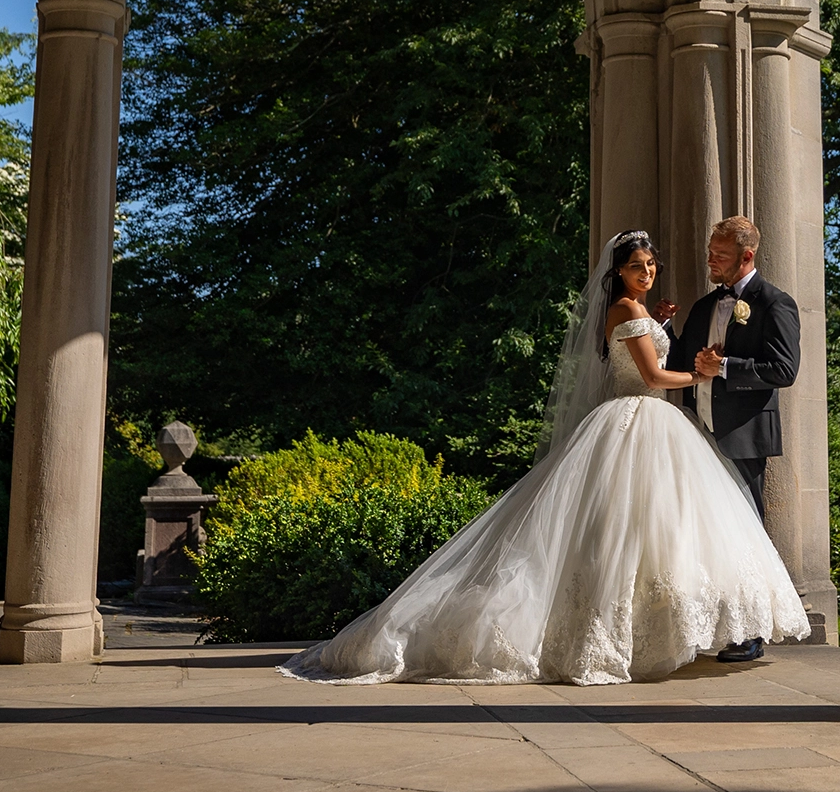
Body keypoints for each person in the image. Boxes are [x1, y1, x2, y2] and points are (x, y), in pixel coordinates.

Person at [281, 230, 809, 684]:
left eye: (651, 265)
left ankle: (688, 629)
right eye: (636, 266)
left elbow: (702, 357)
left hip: (667, 425)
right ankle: (616, 630)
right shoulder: (626, 308)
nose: (647, 272)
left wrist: (663, 325)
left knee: (665, 530)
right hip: (638, 418)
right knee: (624, 531)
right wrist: (701, 375)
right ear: (618, 272)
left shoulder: (653, 309)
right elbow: (650, 376)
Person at [665, 215, 800, 662]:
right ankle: (716, 624)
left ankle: (752, 633)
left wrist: (724, 368)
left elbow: (784, 371)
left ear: (747, 256)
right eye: (710, 252)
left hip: (742, 436)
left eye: (719, 256)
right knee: (705, 535)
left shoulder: (774, 304)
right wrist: (661, 329)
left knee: (747, 534)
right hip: (697, 433)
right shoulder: (706, 305)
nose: (710, 261)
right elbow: (683, 358)